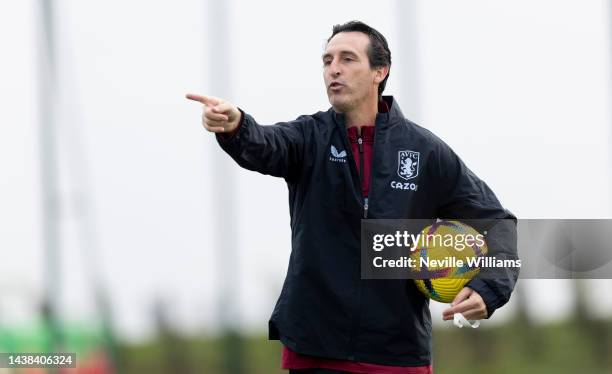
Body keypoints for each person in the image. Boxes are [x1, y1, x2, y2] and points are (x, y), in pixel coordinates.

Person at [187, 21, 519, 374]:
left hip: (398, 353)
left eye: (347, 59)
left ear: (380, 71)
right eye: (327, 60)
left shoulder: (425, 151)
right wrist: (236, 125)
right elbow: (266, 145)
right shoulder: (308, 137)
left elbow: (499, 223)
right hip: (316, 348)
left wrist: (489, 288)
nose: (334, 69)